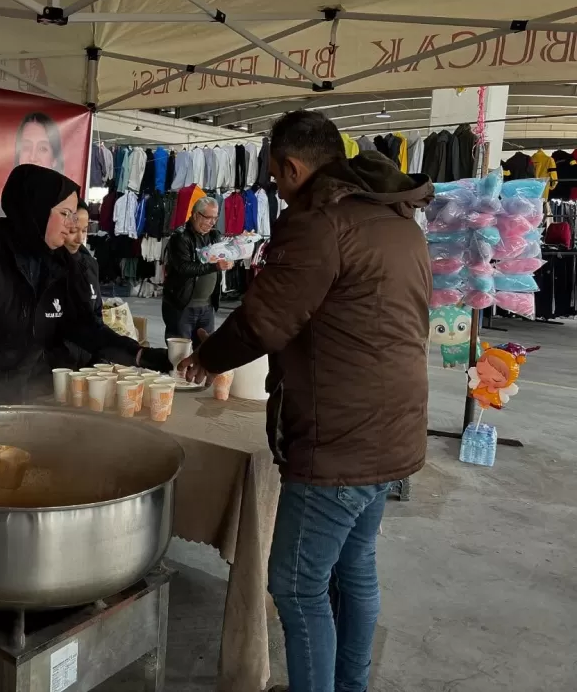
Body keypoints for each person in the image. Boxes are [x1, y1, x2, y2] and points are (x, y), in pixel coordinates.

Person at [179, 111, 432, 692]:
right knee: (353, 569)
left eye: (273, 176)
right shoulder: (398, 221)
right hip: (394, 426)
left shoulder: (320, 224)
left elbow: (266, 320)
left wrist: (206, 359)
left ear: (291, 168)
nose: (275, 188)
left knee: (295, 583)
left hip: (340, 436)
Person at [0, 164, 170, 435]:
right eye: (65, 214)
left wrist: (139, 355)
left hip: (4, 396)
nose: (73, 225)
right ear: (35, 209)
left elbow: (84, 328)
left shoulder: (58, 262)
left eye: (74, 215)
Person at [162, 196, 232, 348]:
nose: (212, 222)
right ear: (196, 215)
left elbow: (224, 254)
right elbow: (184, 268)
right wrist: (215, 266)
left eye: (215, 218)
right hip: (182, 306)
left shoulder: (214, 235)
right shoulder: (180, 237)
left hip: (207, 307)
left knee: (204, 352)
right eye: (208, 218)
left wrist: (233, 254)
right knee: (180, 353)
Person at [51, 199, 103, 368]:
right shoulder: (42, 265)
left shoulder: (90, 265)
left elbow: (97, 317)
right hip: (50, 372)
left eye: (85, 230)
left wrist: (100, 361)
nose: (80, 238)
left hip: (85, 367)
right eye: (73, 231)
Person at [0, 113, 64, 221]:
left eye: (42, 149)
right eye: (26, 147)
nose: (32, 157)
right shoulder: (0, 210)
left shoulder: (65, 211)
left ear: (54, 160)